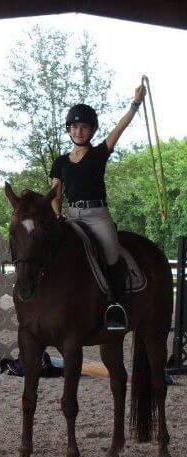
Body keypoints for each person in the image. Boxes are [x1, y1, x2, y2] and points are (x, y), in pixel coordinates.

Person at [50, 83, 147, 331]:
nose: (78, 131)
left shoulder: (99, 153)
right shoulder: (60, 161)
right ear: (68, 130)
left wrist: (135, 104)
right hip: (71, 216)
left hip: (97, 216)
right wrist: (56, 214)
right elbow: (55, 193)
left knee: (112, 254)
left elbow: (120, 127)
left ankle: (116, 306)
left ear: (91, 130)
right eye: (74, 126)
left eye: (83, 127)